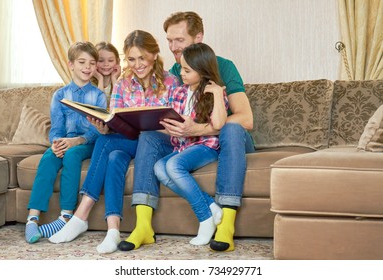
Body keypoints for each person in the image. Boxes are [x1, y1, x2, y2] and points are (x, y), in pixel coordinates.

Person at [119, 11, 254, 252]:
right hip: (189, 141)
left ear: (198, 38)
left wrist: (197, 129)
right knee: (149, 137)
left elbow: (246, 119)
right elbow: (176, 112)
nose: (172, 47)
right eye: (169, 41)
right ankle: (143, 225)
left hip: (226, 139)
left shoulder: (223, 67)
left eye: (179, 40)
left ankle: (226, 223)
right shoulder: (176, 71)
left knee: (232, 128)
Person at [48, 30, 179, 254]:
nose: (137, 65)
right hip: (131, 141)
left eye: (142, 58)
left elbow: (178, 124)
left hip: (162, 143)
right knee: (113, 153)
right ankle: (113, 230)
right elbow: (117, 119)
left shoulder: (171, 81)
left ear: (154, 55)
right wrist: (105, 126)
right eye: (131, 58)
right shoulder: (123, 83)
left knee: (108, 145)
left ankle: (81, 216)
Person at [25, 42, 107, 244]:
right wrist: (56, 142)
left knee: (72, 155)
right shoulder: (59, 95)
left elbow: (97, 130)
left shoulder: (98, 95)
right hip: (65, 141)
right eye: (82, 62)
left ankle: (66, 216)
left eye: (92, 63)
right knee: (48, 158)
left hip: (86, 143)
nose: (87, 67)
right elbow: (56, 127)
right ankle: (32, 219)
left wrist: (77, 141)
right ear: (71, 65)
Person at [154, 43, 228, 246]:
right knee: (159, 168)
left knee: (173, 166)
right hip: (182, 147)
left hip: (207, 146)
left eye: (187, 70)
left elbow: (220, 125)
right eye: (182, 69)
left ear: (203, 70)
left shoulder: (214, 91)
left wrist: (217, 94)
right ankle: (211, 205)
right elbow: (167, 122)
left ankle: (204, 219)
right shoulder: (178, 92)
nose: (182, 74)